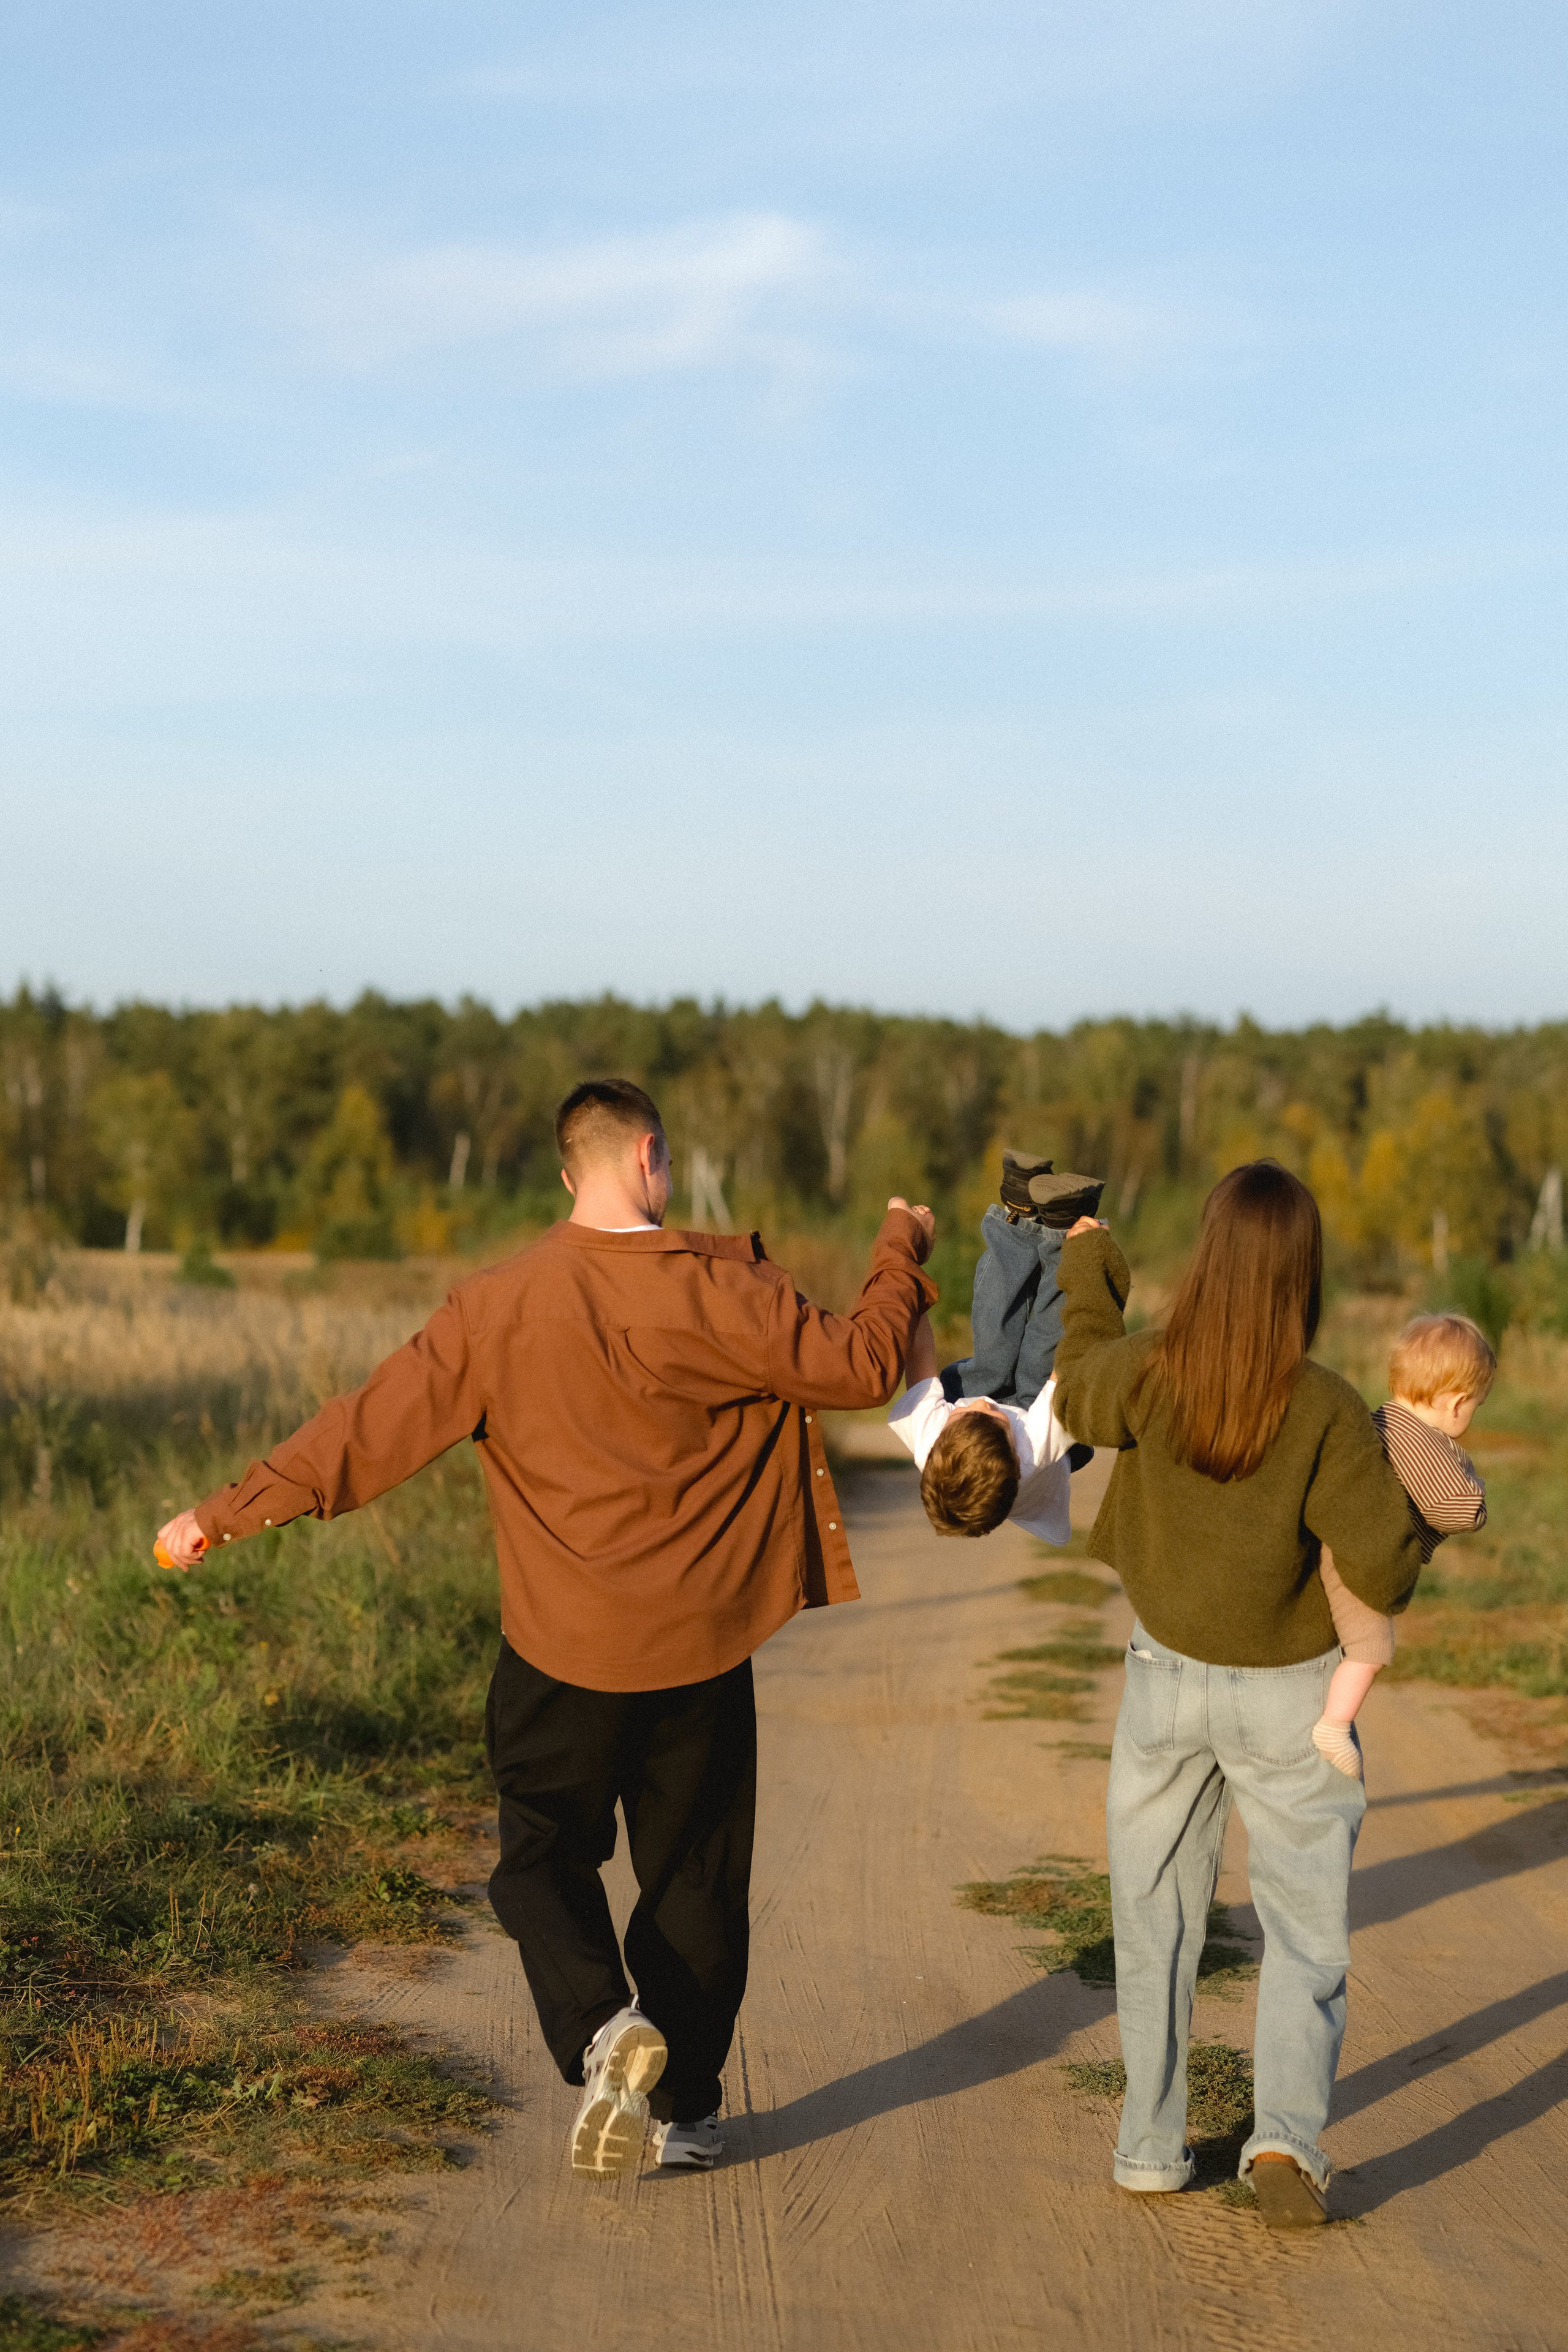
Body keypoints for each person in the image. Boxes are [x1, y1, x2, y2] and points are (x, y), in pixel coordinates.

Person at [155, 1079, 937, 2180]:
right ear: (650, 1157)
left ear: (572, 1176)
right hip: (701, 1654)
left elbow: (365, 1434)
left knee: (537, 1862)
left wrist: (223, 1514)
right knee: (697, 1878)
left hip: (561, 1654)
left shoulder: (496, 1305)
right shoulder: (724, 1290)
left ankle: (601, 2029)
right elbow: (864, 1362)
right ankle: (691, 2114)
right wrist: (901, 1241)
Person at [1052, 1163, 1423, 2231]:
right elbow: (1387, 1569)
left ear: (1209, 1256)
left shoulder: (1153, 1372)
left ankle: (1150, 2147)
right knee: (1305, 1932)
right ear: (1303, 1273)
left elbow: (1075, 1383)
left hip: (1166, 1682)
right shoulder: (1325, 1407)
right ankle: (1283, 2144)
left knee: (1154, 1914)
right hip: (1293, 1699)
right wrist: (1421, 1471)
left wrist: (1088, 1264)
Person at [1311, 1311, 1493, 1776]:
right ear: (1455, 1405)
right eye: (1475, 1406)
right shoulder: (1427, 1447)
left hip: (1332, 1538)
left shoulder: (1383, 1418)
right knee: (1371, 1648)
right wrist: (1479, 1496)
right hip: (1358, 1558)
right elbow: (1456, 1508)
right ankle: (1334, 1724)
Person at [886, 1150, 1101, 1540]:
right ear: (1017, 1460)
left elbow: (919, 1357)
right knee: (1042, 1355)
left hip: (990, 1424)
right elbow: (1070, 1360)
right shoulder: (1035, 1453)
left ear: (938, 1441)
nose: (985, 1405)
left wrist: (909, 1254)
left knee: (993, 1351)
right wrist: (1086, 1261)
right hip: (1048, 1417)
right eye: (995, 1418)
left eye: (967, 1414)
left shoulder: (929, 1439)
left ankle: (1017, 1213)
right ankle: (1064, 1226)